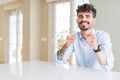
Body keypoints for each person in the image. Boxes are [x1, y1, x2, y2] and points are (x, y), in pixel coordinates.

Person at [54, 3, 114, 71]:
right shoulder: (74, 38)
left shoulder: (103, 36)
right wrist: (65, 46)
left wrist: (96, 47)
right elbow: (57, 62)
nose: (83, 19)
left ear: (94, 21)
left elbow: (108, 66)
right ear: (77, 20)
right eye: (80, 16)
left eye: (87, 16)